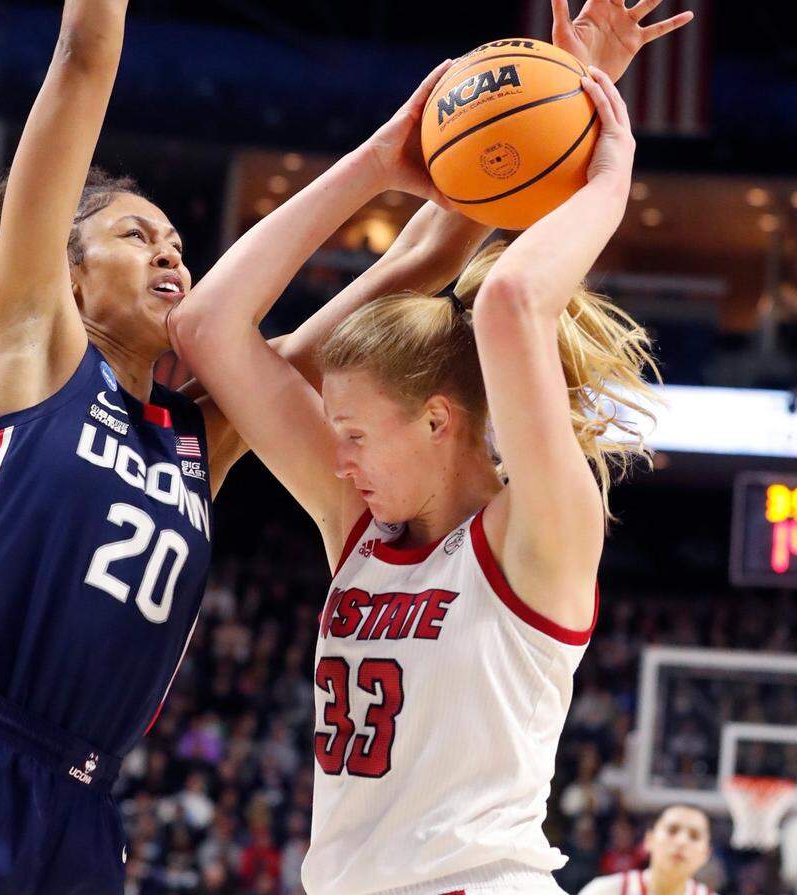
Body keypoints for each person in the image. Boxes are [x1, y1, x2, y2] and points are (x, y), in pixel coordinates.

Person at [0, 3, 492, 894]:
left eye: (178, 246)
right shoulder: (34, 349)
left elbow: (408, 269)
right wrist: (378, 158)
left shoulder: (202, 435)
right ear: (69, 272)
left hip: (83, 816)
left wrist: (534, 120)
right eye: (135, 236)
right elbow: (84, 54)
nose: (170, 257)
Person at [169, 51, 663, 895]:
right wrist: (377, 163)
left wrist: (605, 173)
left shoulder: (538, 533)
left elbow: (511, 300)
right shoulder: (359, 525)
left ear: (439, 419)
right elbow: (208, 326)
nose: (339, 455)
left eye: (355, 433)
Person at [579, 806, 716, 895]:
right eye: (672, 830)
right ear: (649, 840)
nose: (682, 842)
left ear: (706, 854)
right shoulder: (603, 891)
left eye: (694, 836)